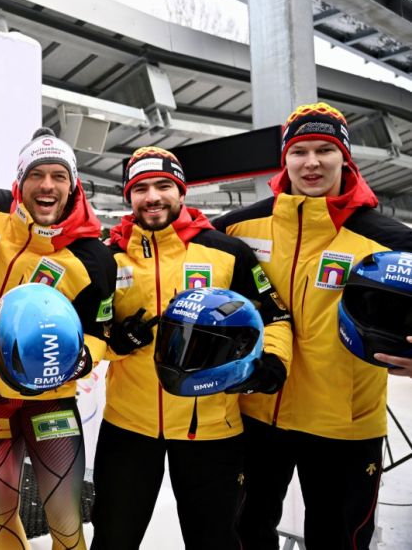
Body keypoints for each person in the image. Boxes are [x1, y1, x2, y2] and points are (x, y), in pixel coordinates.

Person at [212, 102, 412, 549]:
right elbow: (183, 246)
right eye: (300, 151)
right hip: (259, 411)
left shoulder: (388, 237)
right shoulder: (241, 225)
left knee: (337, 537)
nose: (312, 162)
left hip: (344, 422)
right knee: (245, 531)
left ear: (345, 157)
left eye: (325, 149)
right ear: (284, 159)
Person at [90, 146, 293, 550]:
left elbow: (274, 316)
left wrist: (272, 362)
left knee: (215, 540)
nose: (153, 197)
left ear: (181, 192)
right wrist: (115, 342)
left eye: (164, 185)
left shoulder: (225, 250)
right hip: (129, 425)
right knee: (113, 537)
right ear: (128, 196)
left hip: (213, 426)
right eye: (141, 188)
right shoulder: (109, 256)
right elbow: (93, 331)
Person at [0, 128, 117, 550]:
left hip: (51, 399)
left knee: (67, 521)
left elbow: (98, 331)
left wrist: (81, 360)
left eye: (59, 176)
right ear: (20, 182)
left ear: (73, 186)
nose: (47, 185)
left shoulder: (94, 255)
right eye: (37, 174)